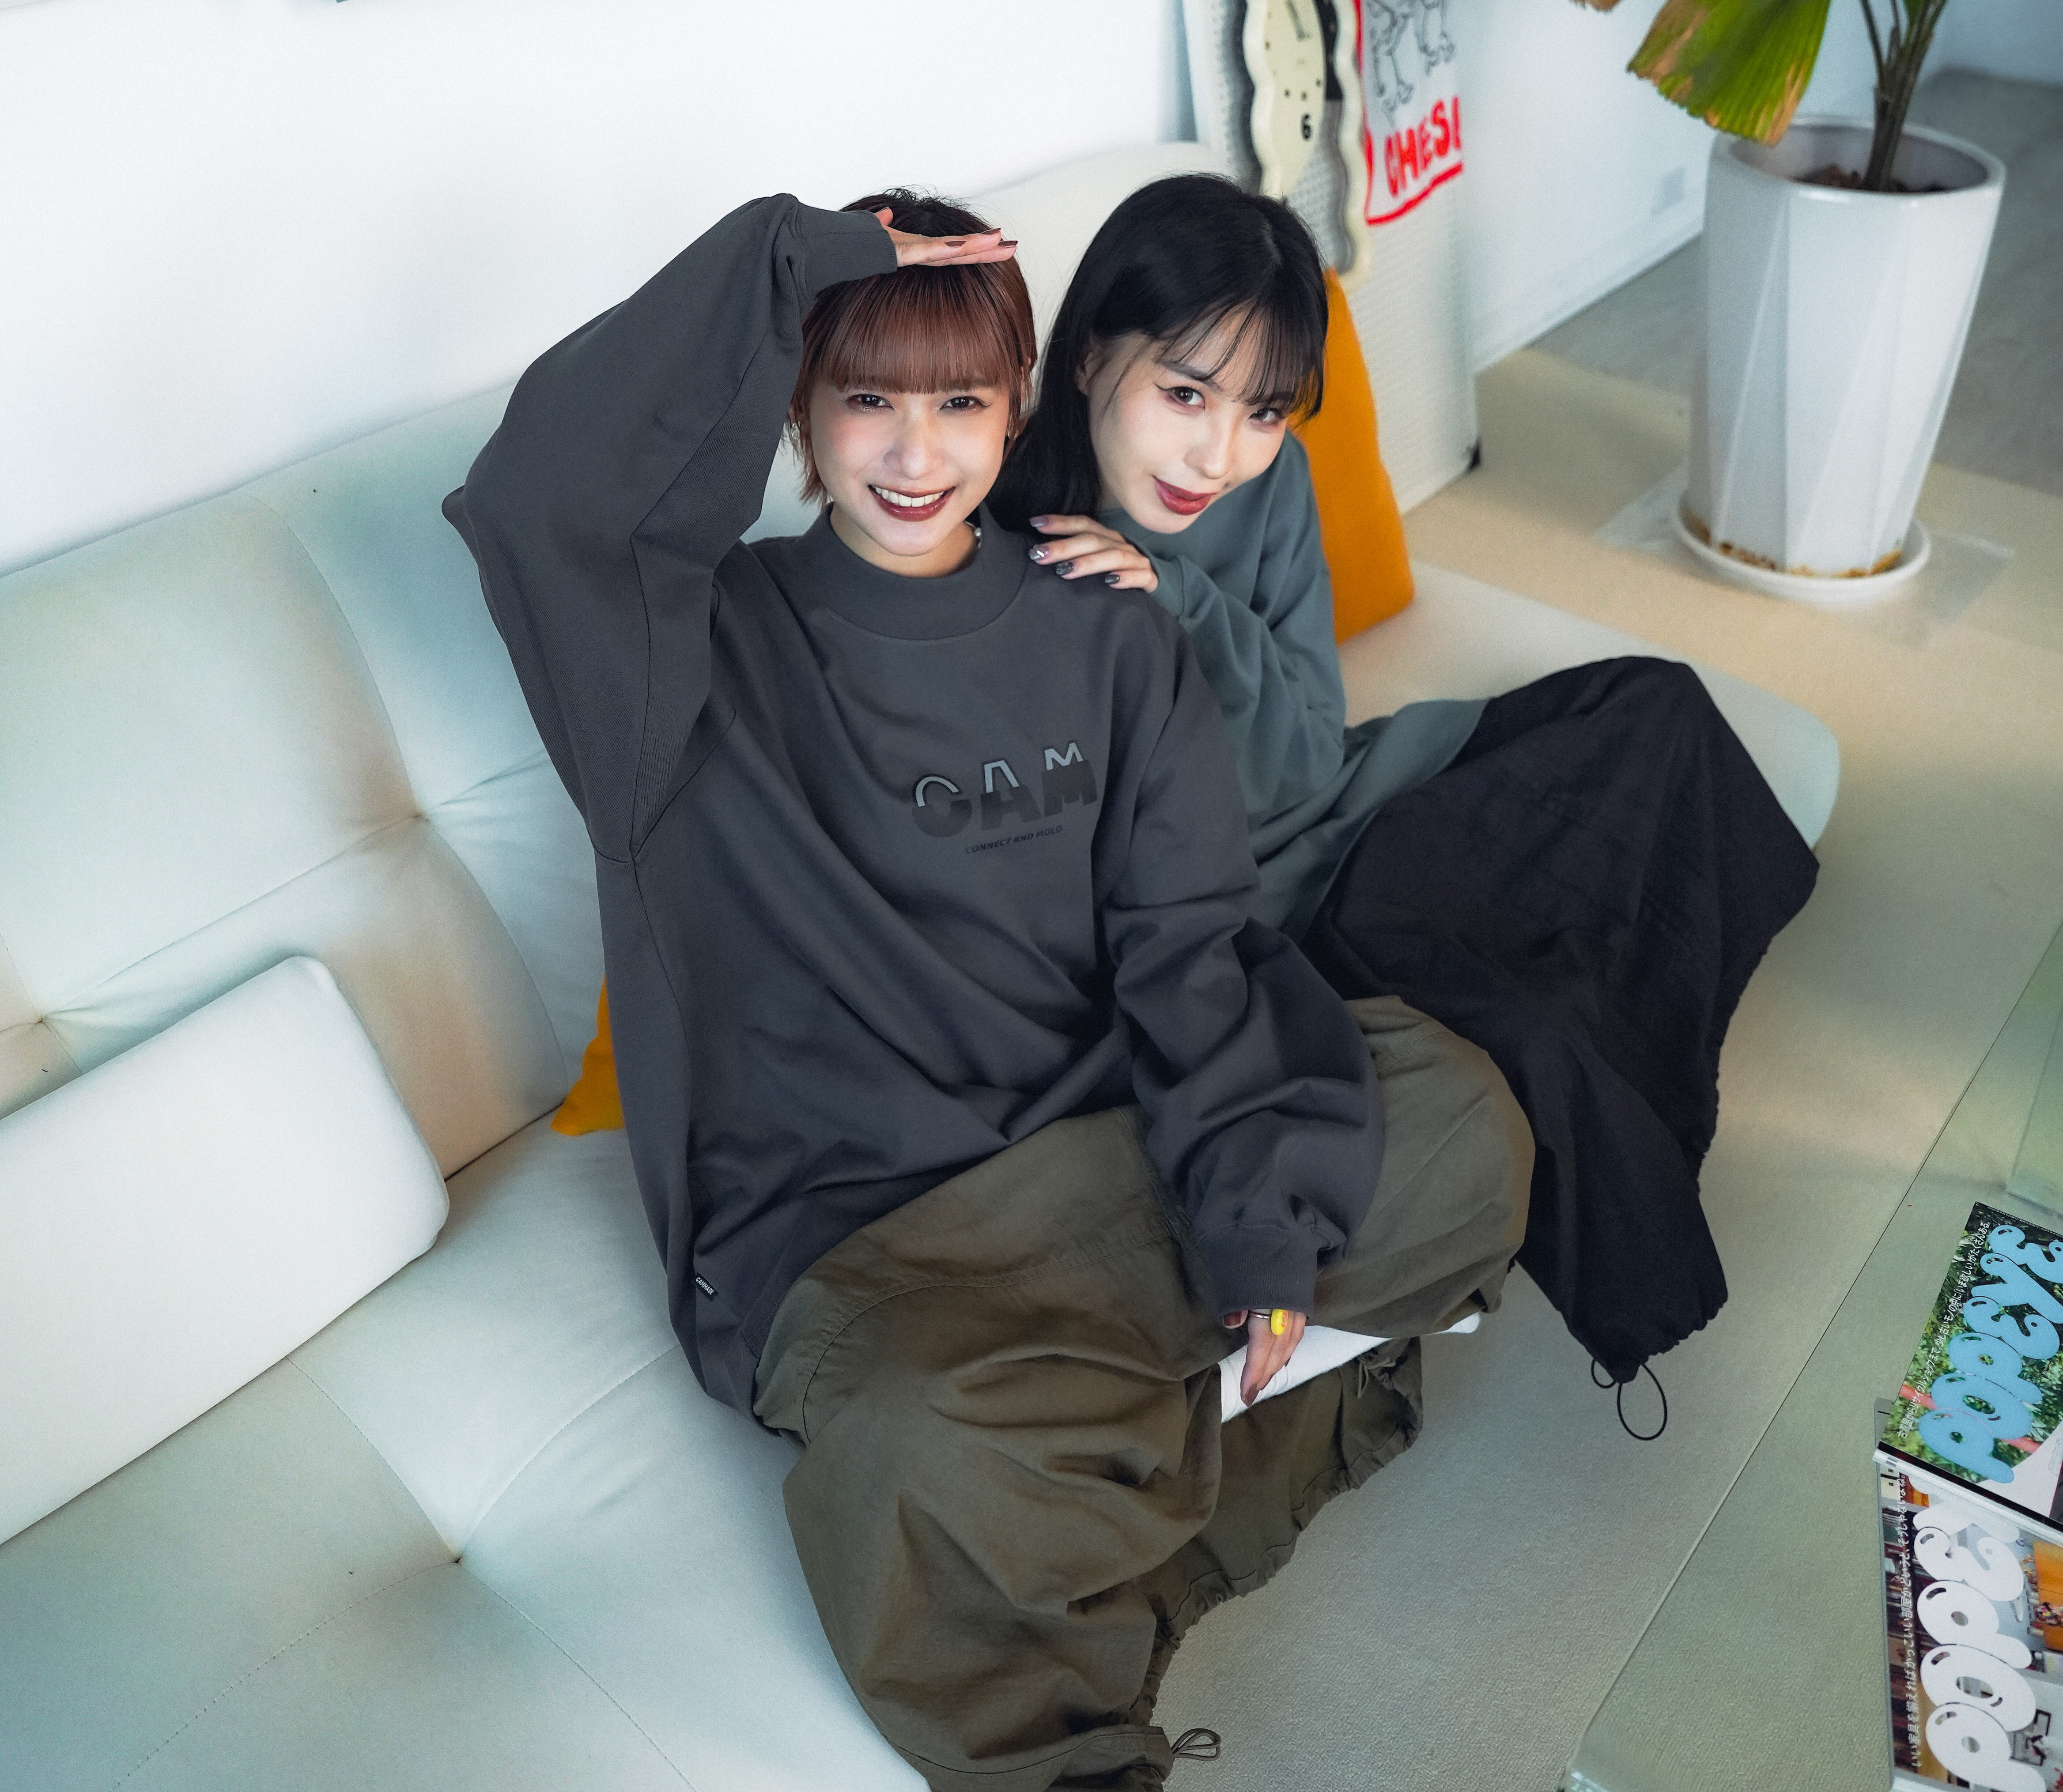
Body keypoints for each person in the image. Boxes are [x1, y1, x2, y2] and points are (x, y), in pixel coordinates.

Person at [444, 189, 1530, 1790]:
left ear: (1020, 406)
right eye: (865, 399)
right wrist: (791, 256)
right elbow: (537, 497)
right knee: (914, 1453)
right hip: (869, 1232)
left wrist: (1252, 1211)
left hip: (1113, 1148)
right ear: (798, 407)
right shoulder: (687, 659)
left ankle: (1115, 1425)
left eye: (958, 402)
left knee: (1467, 1118)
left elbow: (1190, 946)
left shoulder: (1109, 628)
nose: (913, 451)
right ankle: (1174, 1429)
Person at [991, 174, 1820, 1401]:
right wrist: (1153, 613)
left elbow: (1305, 746)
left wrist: (1180, 596)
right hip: (1273, 910)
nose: (1219, 453)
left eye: (1264, 411)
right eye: (1186, 394)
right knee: (1525, 1021)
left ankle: (1631, 1049)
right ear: (1088, 354)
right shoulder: (1016, 546)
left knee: (1654, 711)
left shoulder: (1266, 482)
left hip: (1354, 794)